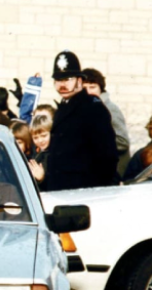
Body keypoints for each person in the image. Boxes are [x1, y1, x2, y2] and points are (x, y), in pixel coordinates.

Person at [44, 50, 118, 191]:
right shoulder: (64, 106)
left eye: (68, 79)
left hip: (83, 193)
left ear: (79, 81)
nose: (62, 85)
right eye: (59, 80)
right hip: (60, 190)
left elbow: (107, 158)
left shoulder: (93, 108)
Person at [81, 67, 131, 176]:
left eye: (92, 87)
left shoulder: (110, 109)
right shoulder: (86, 108)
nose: (88, 91)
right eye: (84, 88)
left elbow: (123, 142)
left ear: (101, 89)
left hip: (113, 173)